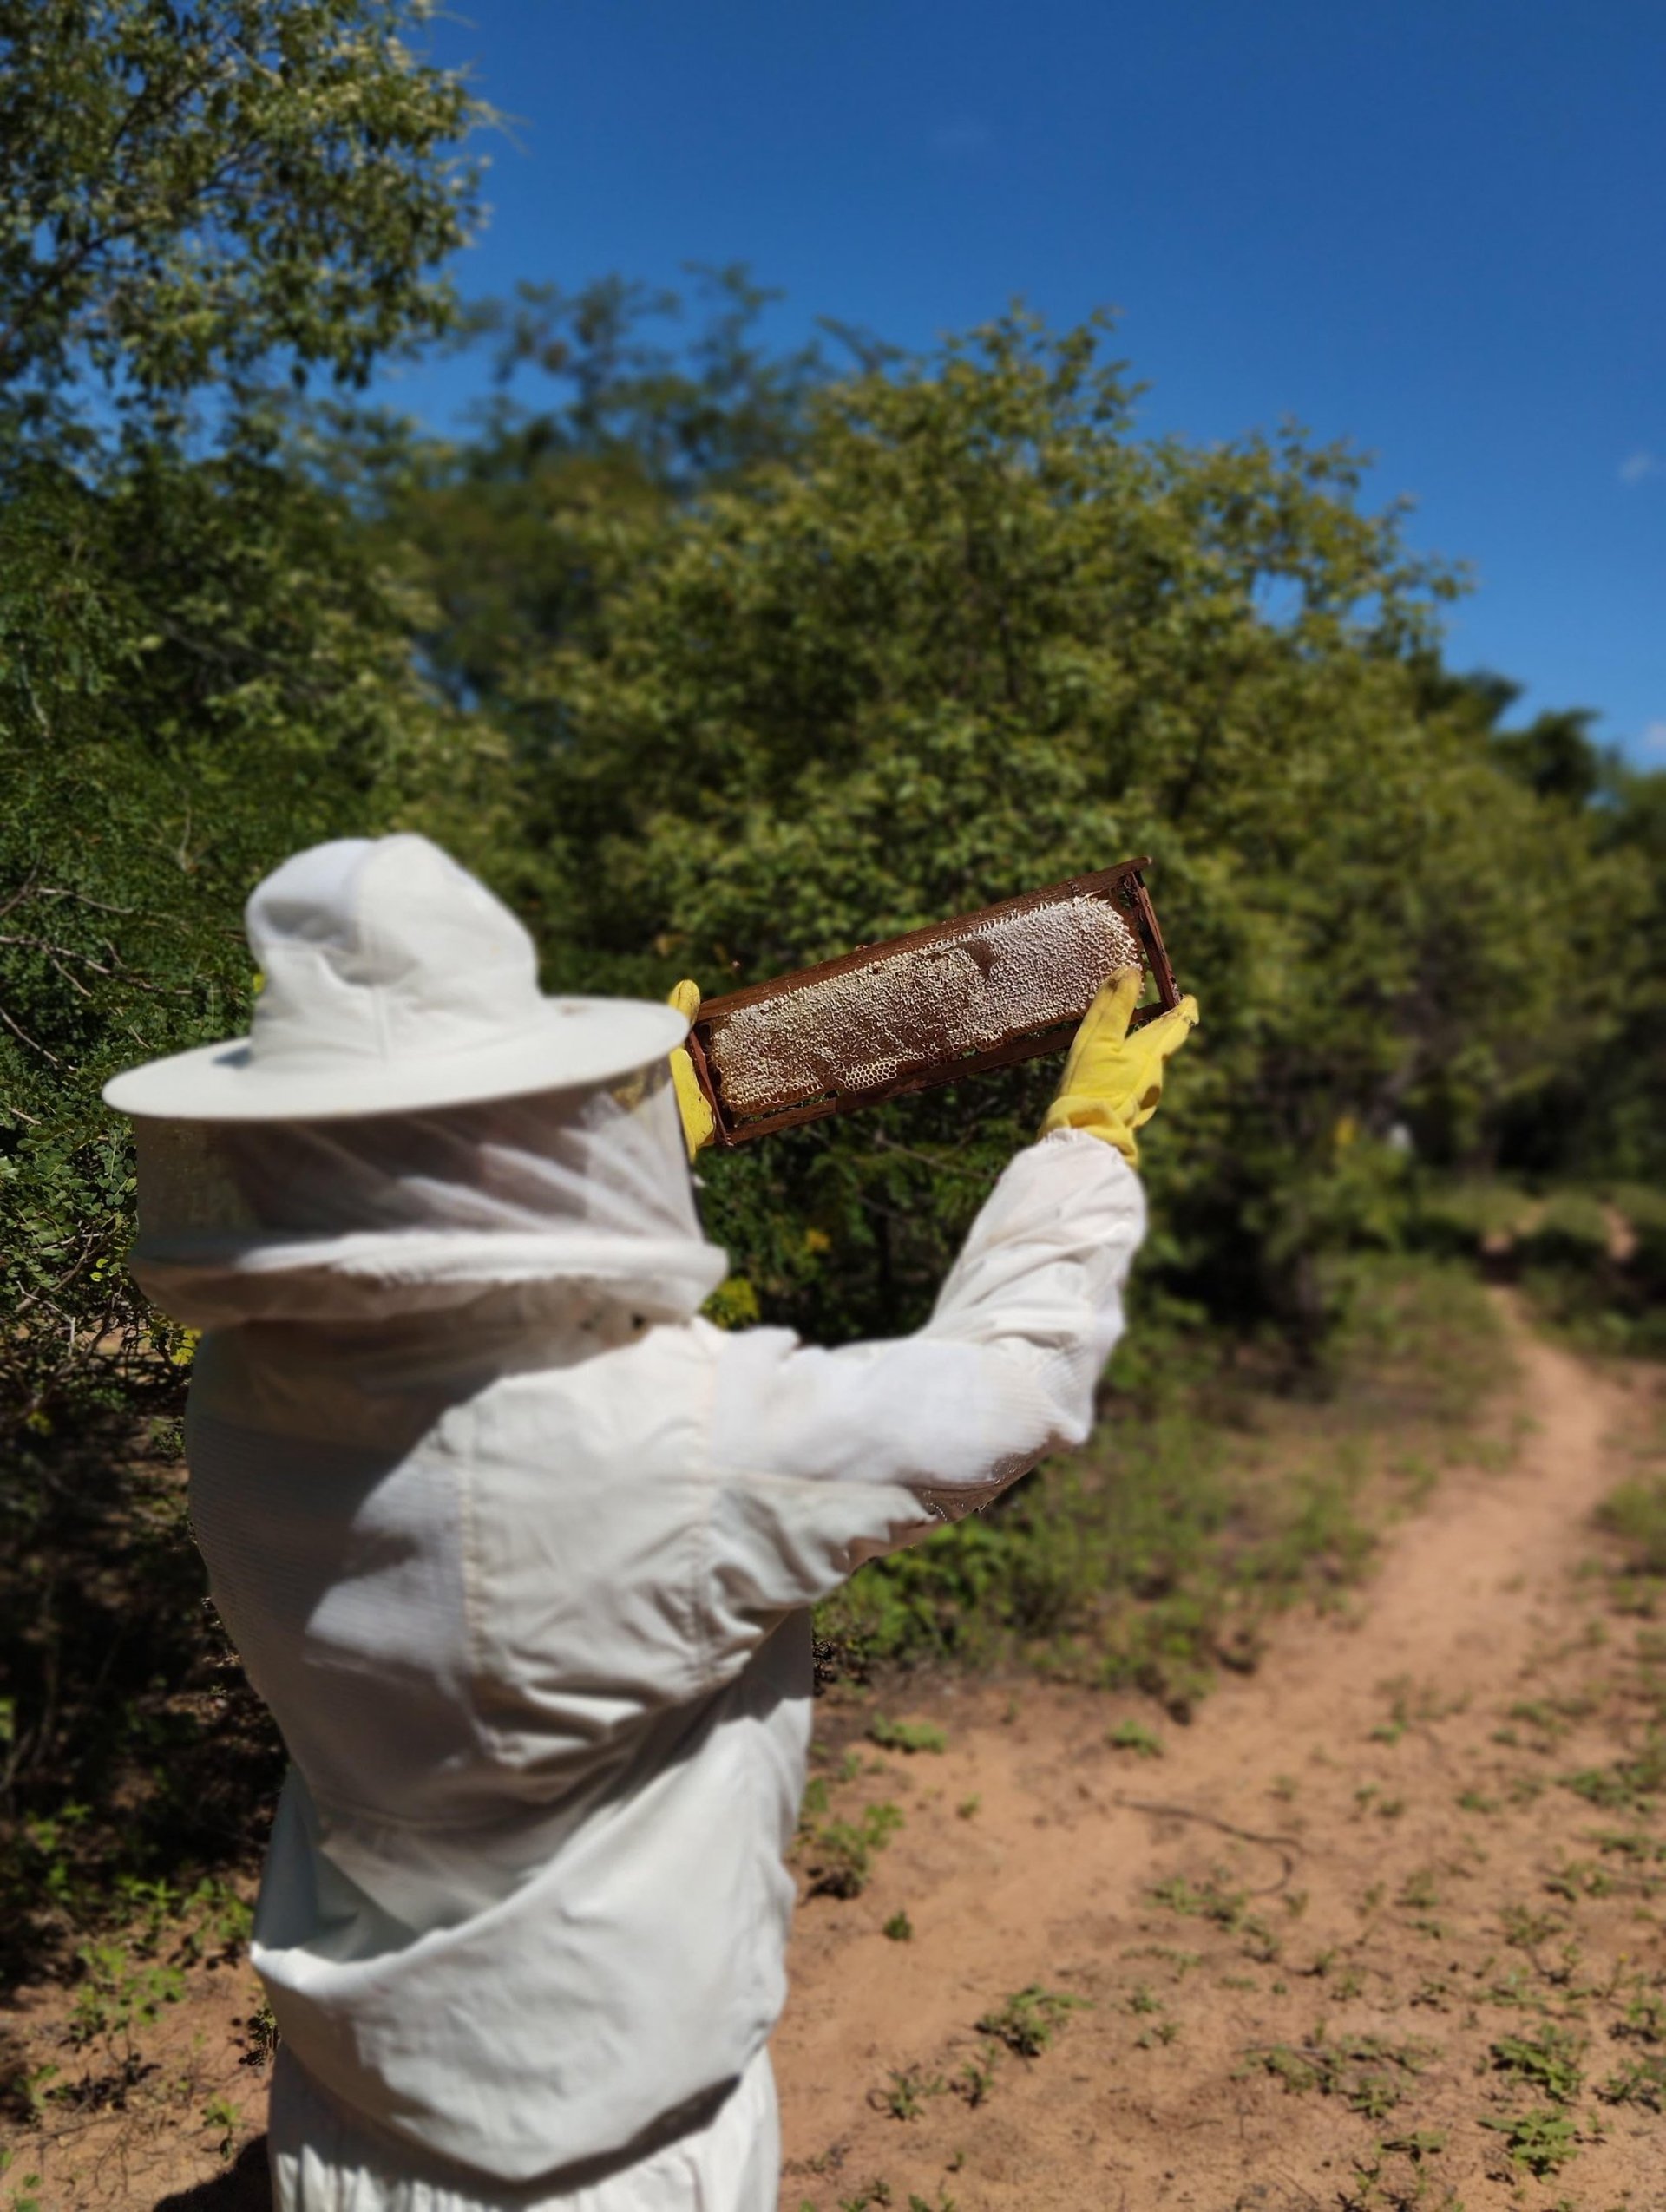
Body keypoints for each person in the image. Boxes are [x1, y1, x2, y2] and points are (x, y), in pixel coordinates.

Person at [102, 834, 1197, 2212]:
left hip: (350, 2123)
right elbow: (1008, 1386)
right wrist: (1082, 1151)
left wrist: (632, 1135)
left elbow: (449, 1275)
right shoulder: (673, 1438)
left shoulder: (241, 1394)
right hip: (616, 2166)